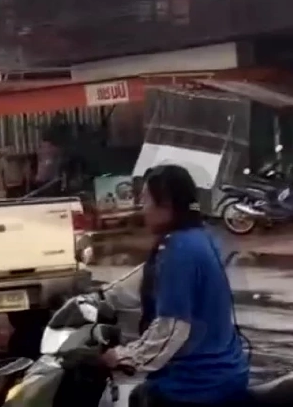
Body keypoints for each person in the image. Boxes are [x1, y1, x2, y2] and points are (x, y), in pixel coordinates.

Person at [101, 164, 250, 407]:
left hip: (198, 384)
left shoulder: (179, 249)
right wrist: (101, 297)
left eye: (147, 201)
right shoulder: (200, 236)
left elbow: (171, 330)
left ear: (167, 204)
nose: (143, 210)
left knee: (142, 397)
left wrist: (122, 356)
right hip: (226, 373)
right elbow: (146, 278)